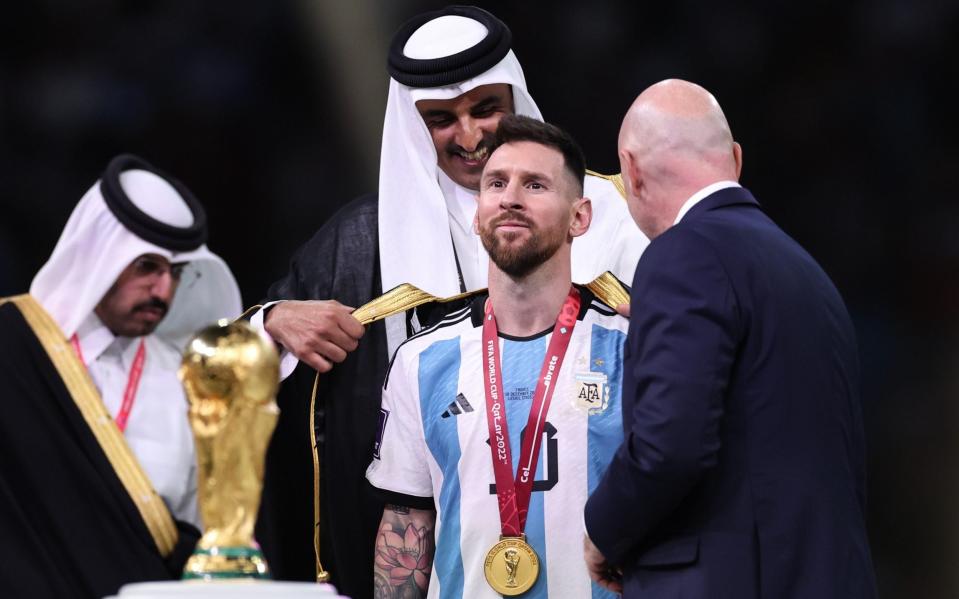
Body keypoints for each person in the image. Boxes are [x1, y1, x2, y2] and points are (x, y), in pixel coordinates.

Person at [251, 6, 648, 597]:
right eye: (441, 119)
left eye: (485, 108)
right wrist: (275, 322)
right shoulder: (365, 241)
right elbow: (222, 370)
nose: (470, 136)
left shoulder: (615, 216)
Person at [583, 79, 877, 598]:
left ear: (630, 169)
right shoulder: (807, 271)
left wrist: (604, 531)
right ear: (735, 159)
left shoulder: (682, 254)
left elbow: (669, 447)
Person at [366, 115, 630, 599]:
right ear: (477, 211)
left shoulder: (632, 346)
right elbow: (406, 522)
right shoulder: (420, 360)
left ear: (580, 216)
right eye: (496, 183)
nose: (510, 197)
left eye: (535, 184)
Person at [0, 154, 242, 598]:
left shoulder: (186, 383)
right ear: (98, 255)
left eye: (175, 272)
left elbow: (203, 542)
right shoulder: (11, 349)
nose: (163, 290)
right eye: (146, 267)